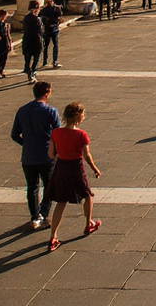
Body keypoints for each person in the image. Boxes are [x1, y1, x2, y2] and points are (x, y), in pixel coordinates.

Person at [45, 101, 102, 252]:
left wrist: (61, 155)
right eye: (83, 114)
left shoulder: (56, 132)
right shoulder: (81, 134)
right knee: (87, 195)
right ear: (77, 116)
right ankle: (88, 223)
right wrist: (95, 168)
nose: (84, 116)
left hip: (61, 167)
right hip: (76, 168)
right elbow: (87, 155)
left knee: (61, 201)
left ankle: (53, 236)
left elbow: (51, 154)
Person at [11, 80, 59, 230]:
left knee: (32, 187)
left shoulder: (22, 110)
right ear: (46, 94)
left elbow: (14, 134)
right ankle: (43, 214)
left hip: (28, 156)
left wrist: (26, 144)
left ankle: (34, 216)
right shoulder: (51, 111)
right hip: (47, 155)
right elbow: (57, 134)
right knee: (49, 186)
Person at [22, 1, 44, 82]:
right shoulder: (37, 19)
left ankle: (29, 71)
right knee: (36, 57)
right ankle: (33, 71)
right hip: (35, 40)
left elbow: (23, 28)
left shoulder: (26, 18)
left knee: (28, 58)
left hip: (27, 40)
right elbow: (40, 30)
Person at [40, 0, 63, 69]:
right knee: (49, 45)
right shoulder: (50, 9)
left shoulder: (54, 9)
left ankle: (51, 61)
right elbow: (58, 19)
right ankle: (48, 61)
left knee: (51, 45)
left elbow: (59, 18)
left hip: (51, 29)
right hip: (50, 29)